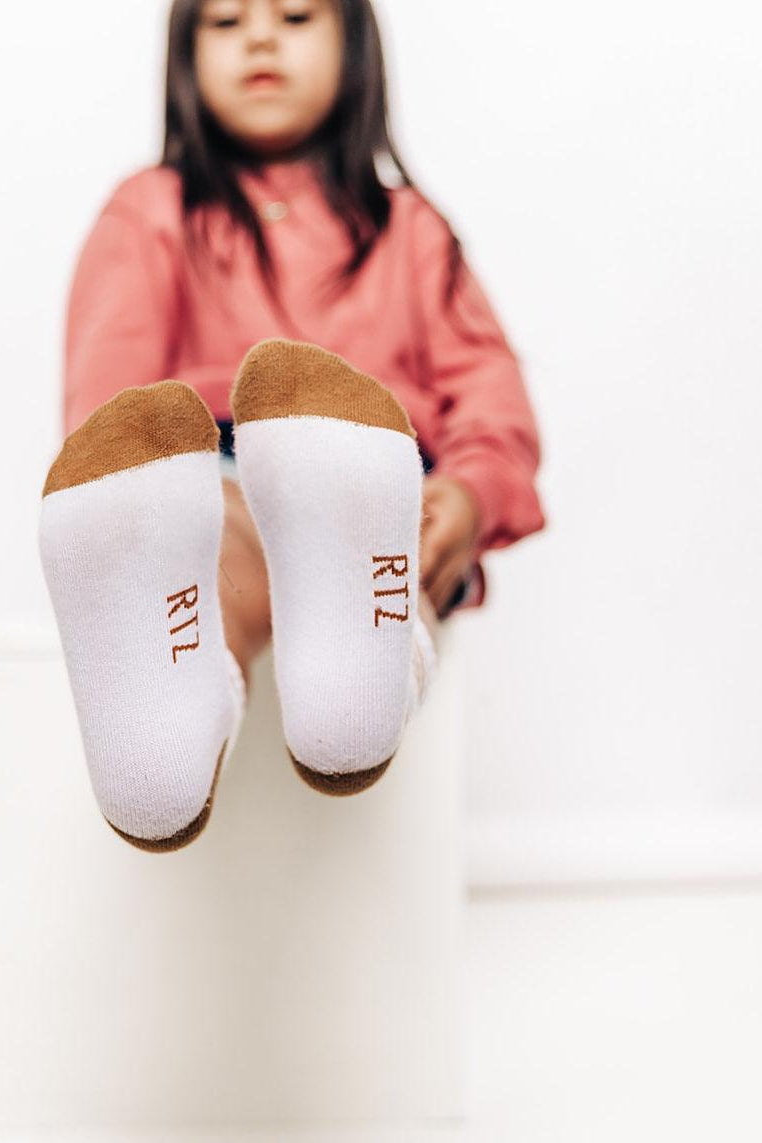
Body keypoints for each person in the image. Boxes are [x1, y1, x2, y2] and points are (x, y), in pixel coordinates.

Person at [38, 0, 545, 853]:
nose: (261, 38)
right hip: (222, 478)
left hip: (385, 483)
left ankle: (363, 671)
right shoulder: (151, 211)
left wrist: (469, 497)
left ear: (355, 43)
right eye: (227, 22)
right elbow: (112, 407)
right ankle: (167, 736)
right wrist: (132, 500)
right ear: (183, 57)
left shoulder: (410, 229)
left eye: (296, 15)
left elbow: (491, 396)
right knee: (216, 548)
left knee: (386, 535)